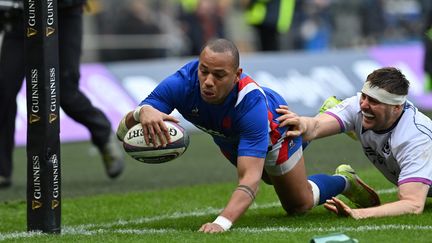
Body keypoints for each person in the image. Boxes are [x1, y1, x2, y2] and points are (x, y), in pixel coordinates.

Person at [116, 38, 380, 233]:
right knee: (269, 177)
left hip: (275, 130)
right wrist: (141, 113)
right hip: (229, 136)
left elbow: (248, 179)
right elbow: (121, 132)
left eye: (219, 75)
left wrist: (222, 223)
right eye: (204, 70)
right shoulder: (181, 82)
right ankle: (311, 128)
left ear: (236, 75)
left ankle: (343, 179)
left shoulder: (250, 106)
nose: (208, 81)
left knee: (297, 204)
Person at [278, 67, 432, 219]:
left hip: (420, 158)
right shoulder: (356, 106)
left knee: (297, 203)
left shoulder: (415, 138)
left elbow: (413, 204)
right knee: (277, 167)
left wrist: (358, 213)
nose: (364, 105)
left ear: (397, 107)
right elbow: (316, 126)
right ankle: (341, 122)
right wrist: (303, 124)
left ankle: (345, 169)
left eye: (374, 101)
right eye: (364, 96)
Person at [0, 0, 125, 188]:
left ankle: (103, 133)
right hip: (21, 18)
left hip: (64, 15)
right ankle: (2, 171)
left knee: (66, 92)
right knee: (4, 90)